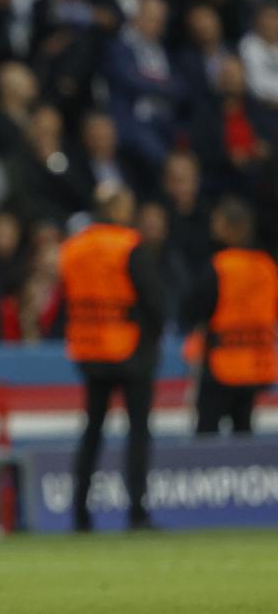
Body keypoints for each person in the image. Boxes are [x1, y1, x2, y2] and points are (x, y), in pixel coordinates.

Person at [58, 186, 165, 532]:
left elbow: (67, 299)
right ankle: (137, 513)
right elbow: (154, 300)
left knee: (92, 432)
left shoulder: (73, 248)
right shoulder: (129, 246)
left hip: (90, 350)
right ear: (116, 208)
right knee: (138, 431)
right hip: (131, 349)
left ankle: (80, 513)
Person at [182, 198, 277, 435]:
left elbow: (196, 309)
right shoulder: (266, 266)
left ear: (231, 228)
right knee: (244, 430)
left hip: (221, 363)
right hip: (256, 363)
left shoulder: (219, 266)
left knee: (206, 432)